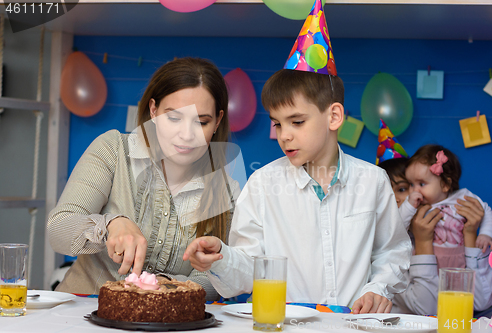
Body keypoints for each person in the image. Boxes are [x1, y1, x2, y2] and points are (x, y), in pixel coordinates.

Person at [183, 67, 412, 314]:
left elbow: (392, 252)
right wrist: (221, 256)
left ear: (334, 116)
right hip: (285, 326)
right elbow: (250, 269)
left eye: (297, 122)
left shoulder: (373, 181)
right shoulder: (262, 184)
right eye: (278, 124)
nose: (284, 135)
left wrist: (377, 288)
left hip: (353, 326)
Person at [47, 57, 240, 300]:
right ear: (153, 110)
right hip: (83, 313)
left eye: (201, 122)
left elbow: (216, 276)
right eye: (173, 118)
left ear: (218, 121)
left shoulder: (227, 189)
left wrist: (168, 285)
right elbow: (58, 230)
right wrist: (110, 224)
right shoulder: (114, 150)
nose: (186, 134)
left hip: (167, 322)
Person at [381, 144, 492, 314]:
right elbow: (428, 310)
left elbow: (481, 303)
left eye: (402, 189)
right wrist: (423, 240)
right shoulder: (394, 252)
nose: (395, 199)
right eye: (384, 193)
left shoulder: (459, 200)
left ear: (444, 185)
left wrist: (472, 234)